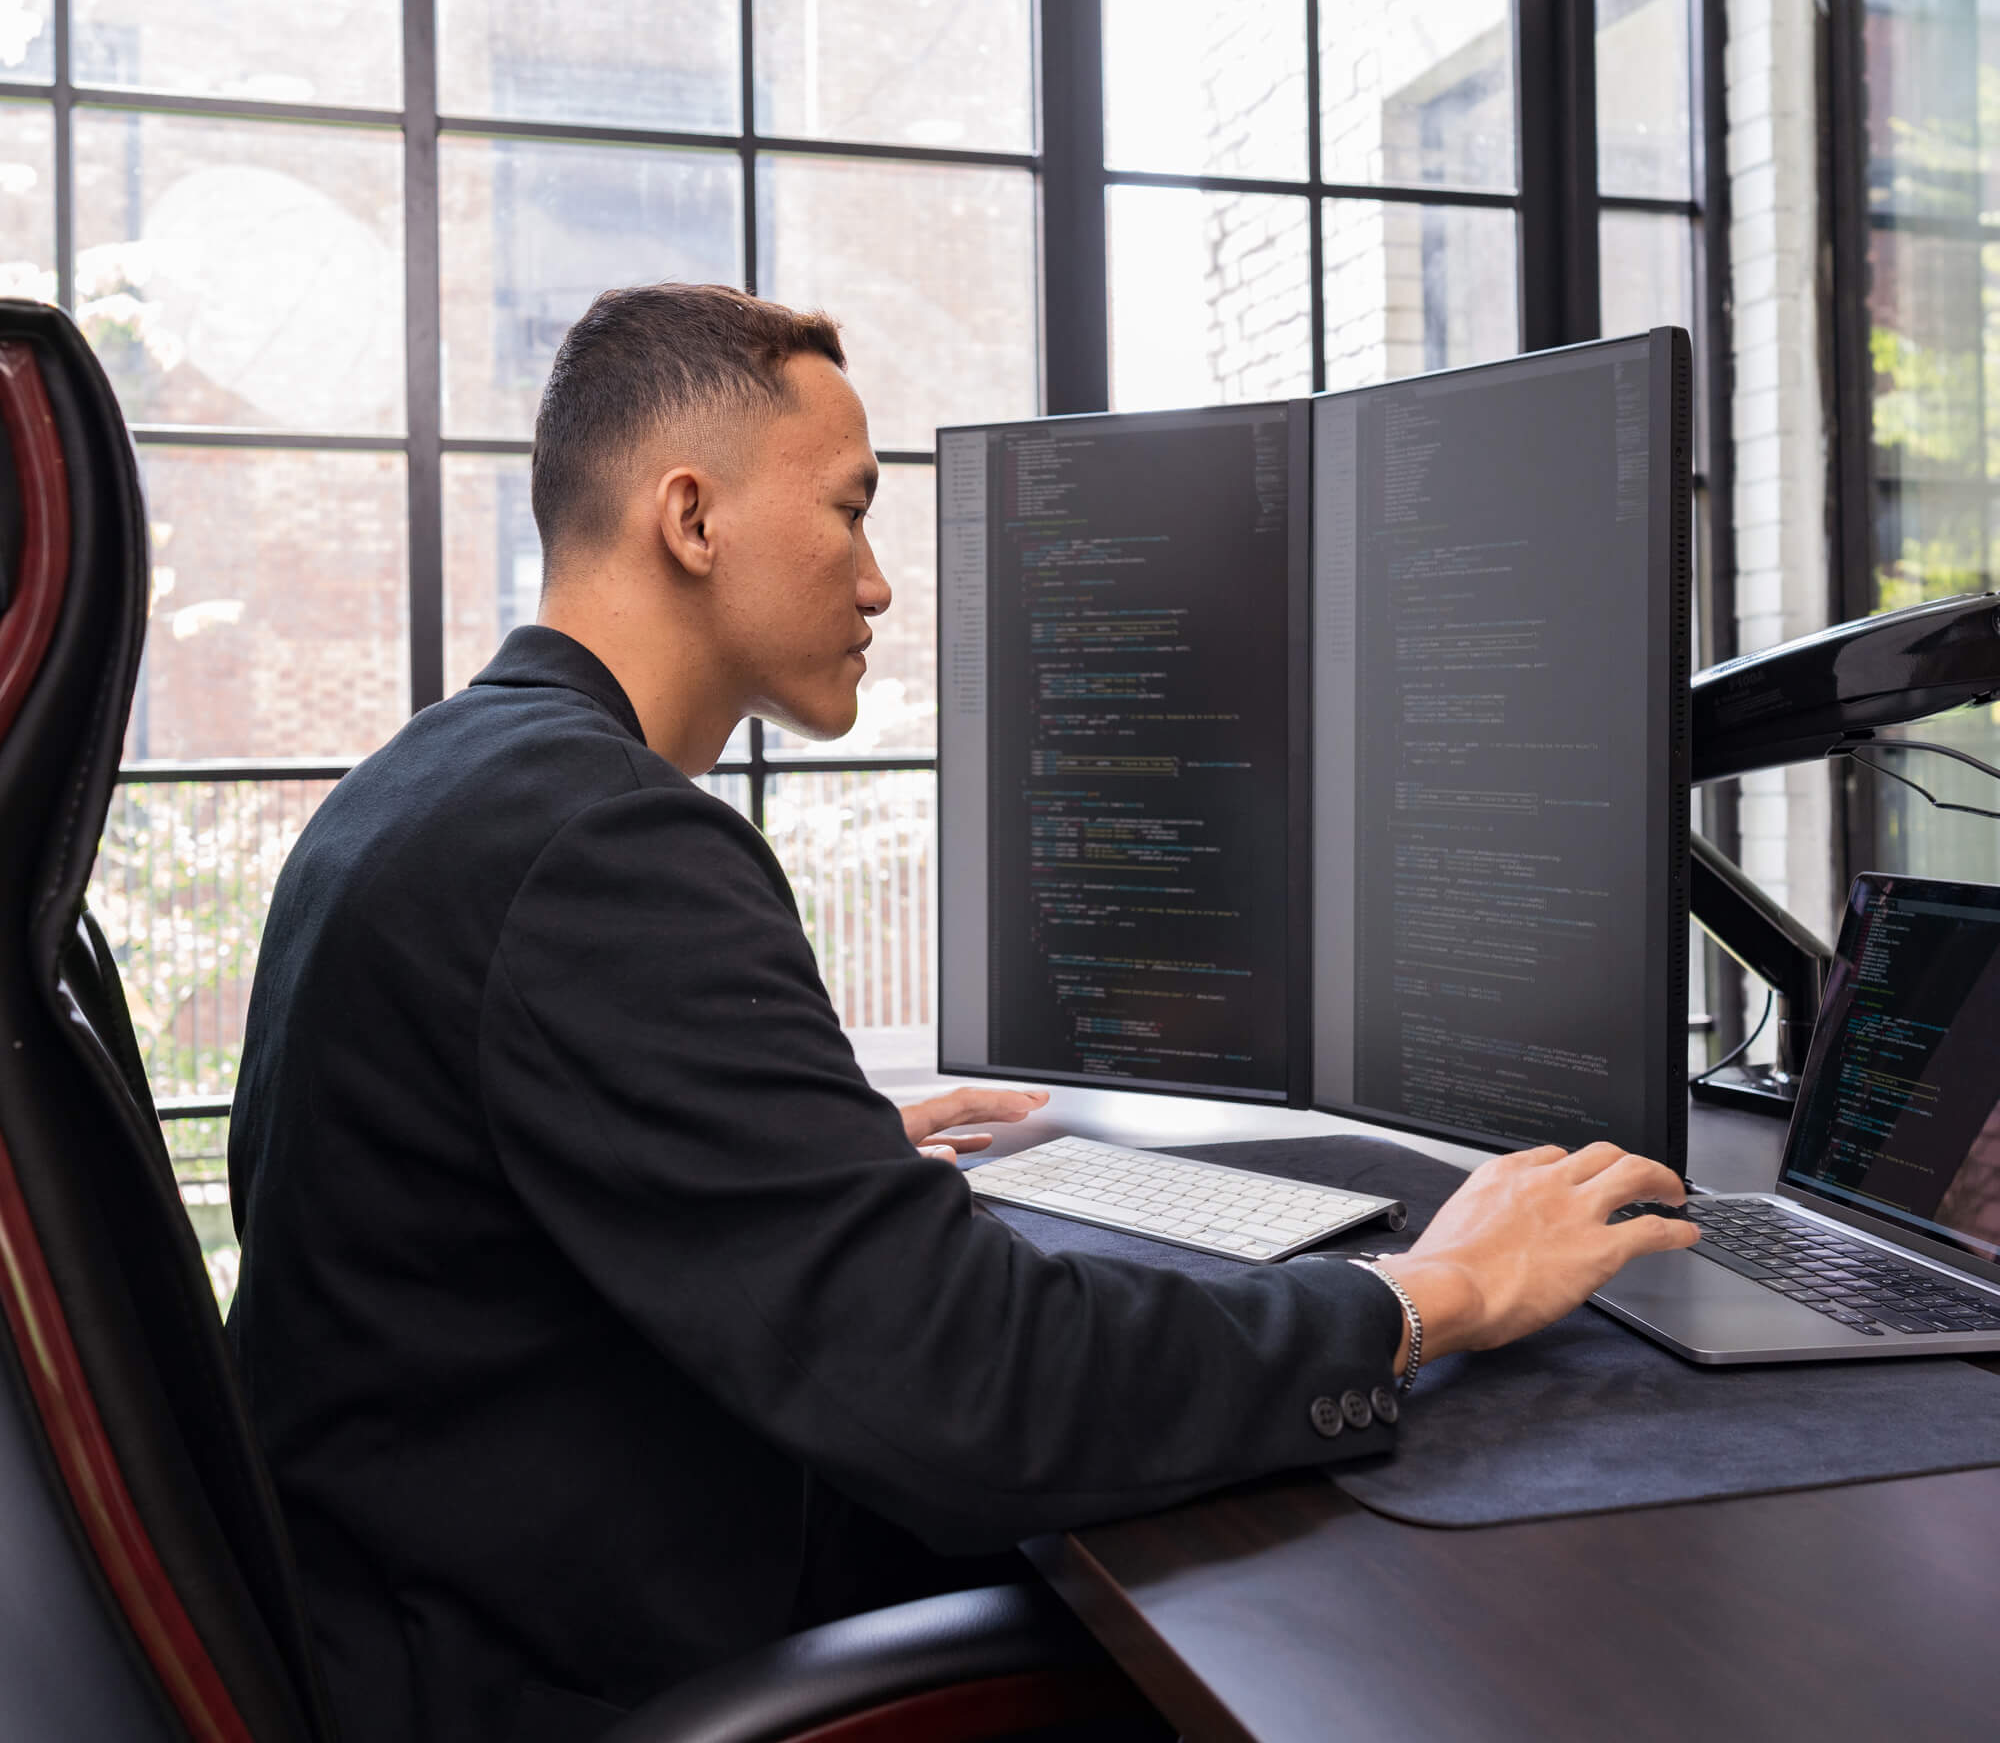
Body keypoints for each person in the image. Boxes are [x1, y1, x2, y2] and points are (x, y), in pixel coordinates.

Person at [226, 283, 1697, 1743]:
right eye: (851, 512)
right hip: (545, 1680)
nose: (875, 584)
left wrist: (800, 1158)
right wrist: (1438, 1296)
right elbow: (985, 1391)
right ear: (692, 520)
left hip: (411, 1613)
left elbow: (474, 1208)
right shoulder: (595, 848)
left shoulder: (433, 784)